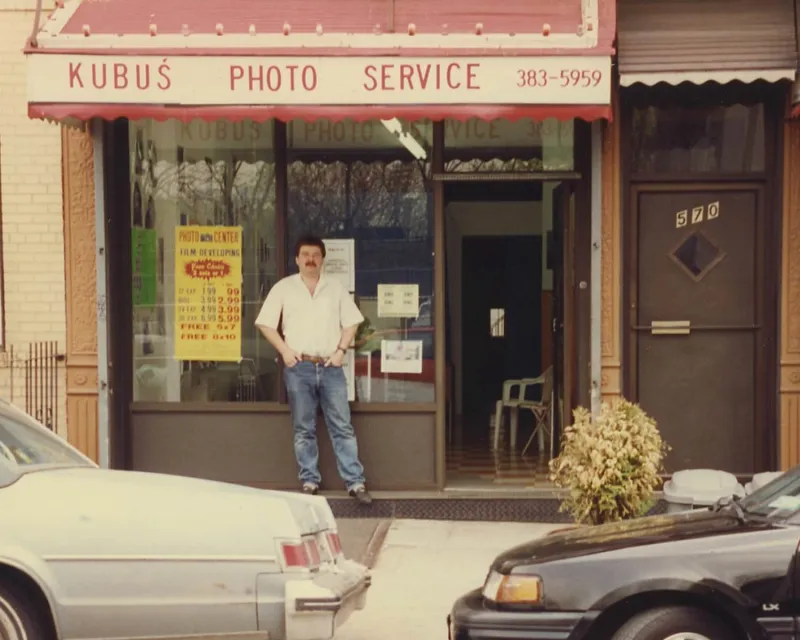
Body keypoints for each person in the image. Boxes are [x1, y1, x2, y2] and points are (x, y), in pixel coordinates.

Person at [255, 235, 372, 505]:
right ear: (297, 259)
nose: (310, 259)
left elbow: (352, 321)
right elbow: (265, 324)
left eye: (315, 255)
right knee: (303, 428)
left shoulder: (335, 287)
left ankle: (355, 482)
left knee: (342, 426)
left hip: (329, 367)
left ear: (322, 259)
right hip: (299, 368)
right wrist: (285, 351)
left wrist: (341, 350)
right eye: (305, 255)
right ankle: (310, 481)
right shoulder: (284, 288)